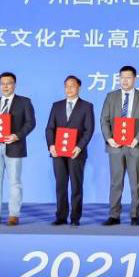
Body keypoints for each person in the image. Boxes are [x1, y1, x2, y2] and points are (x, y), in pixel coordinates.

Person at [100, 65, 139, 226]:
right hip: (115, 146)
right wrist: (109, 138)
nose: (125, 80)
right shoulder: (111, 96)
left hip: (135, 146)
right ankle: (114, 215)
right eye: (122, 77)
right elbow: (104, 120)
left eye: (128, 77)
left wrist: (137, 139)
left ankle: (135, 215)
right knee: (115, 182)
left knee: (136, 182)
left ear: (135, 79)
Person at [0, 72, 36, 226]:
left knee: (14, 182)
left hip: (14, 146)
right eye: (2, 83)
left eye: (9, 83)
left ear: (14, 85)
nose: (5, 86)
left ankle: (14, 215)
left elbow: (30, 123)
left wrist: (17, 136)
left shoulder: (24, 102)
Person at [44, 75, 95, 226]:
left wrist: (79, 147)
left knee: (76, 185)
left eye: (72, 86)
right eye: (66, 86)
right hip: (58, 152)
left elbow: (89, 130)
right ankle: (61, 216)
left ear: (79, 87)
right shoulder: (57, 105)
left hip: (76, 152)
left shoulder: (87, 106)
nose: (69, 89)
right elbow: (49, 128)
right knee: (60, 185)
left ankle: (75, 217)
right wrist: (51, 145)